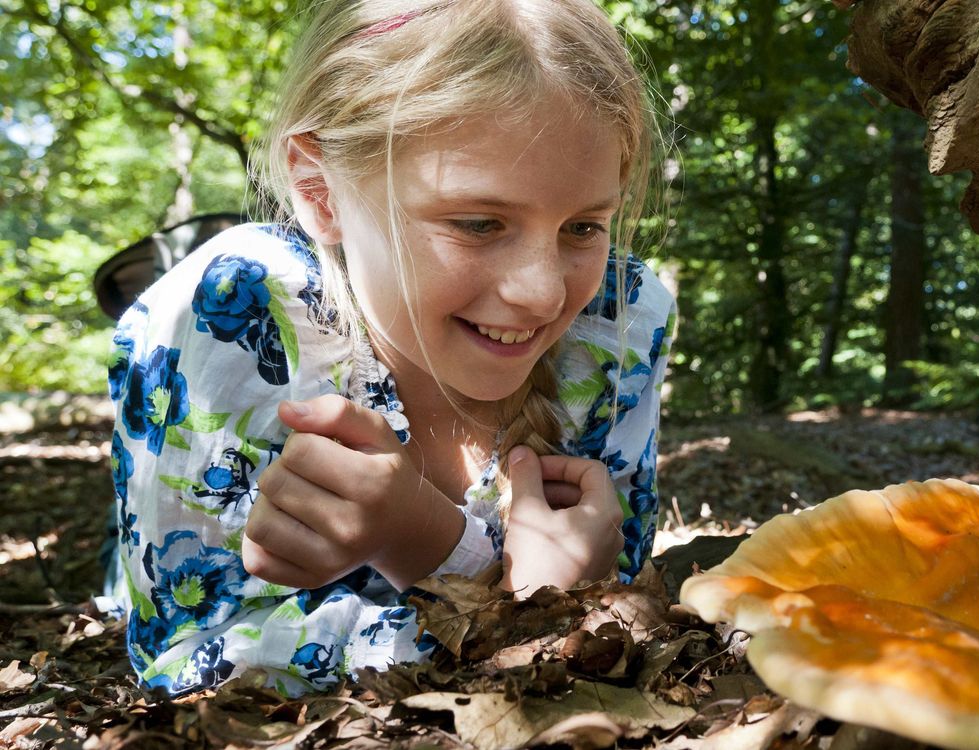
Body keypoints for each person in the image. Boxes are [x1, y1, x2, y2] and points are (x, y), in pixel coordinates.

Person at [104, 0, 674, 697]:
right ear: (320, 191)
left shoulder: (621, 320)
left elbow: (622, 605)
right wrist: (455, 559)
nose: (543, 293)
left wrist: (453, 558)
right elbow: (186, 658)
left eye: (583, 227)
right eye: (480, 222)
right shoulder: (235, 306)